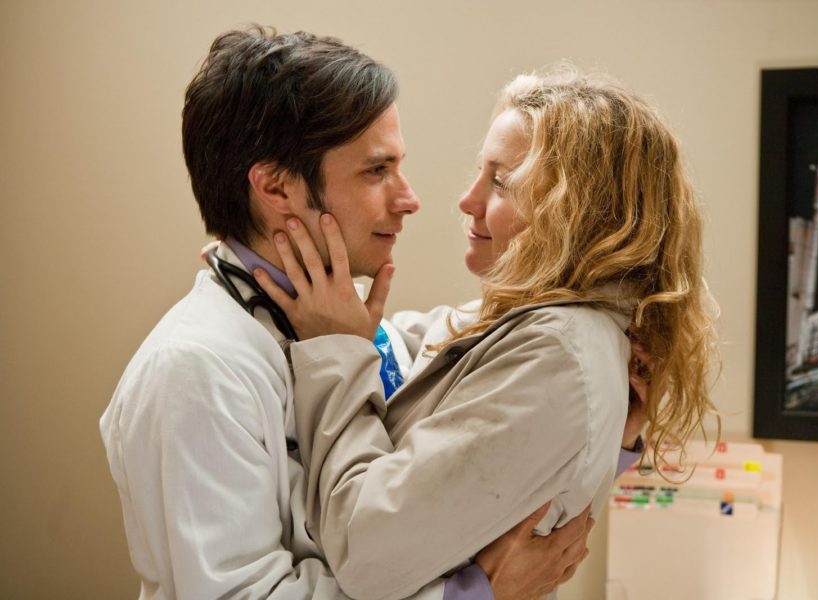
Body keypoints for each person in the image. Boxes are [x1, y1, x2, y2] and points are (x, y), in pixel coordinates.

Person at [100, 27, 599, 600]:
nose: (409, 199)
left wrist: (613, 407)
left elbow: (467, 359)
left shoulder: (340, 327)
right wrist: (472, 593)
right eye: (376, 171)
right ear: (276, 187)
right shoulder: (195, 371)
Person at [256, 68, 718, 600]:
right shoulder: (547, 324)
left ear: (578, 214)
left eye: (500, 183)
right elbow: (430, 349)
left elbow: (364, 550)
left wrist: (336, 352)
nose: (467, 201)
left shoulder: (558, 354)